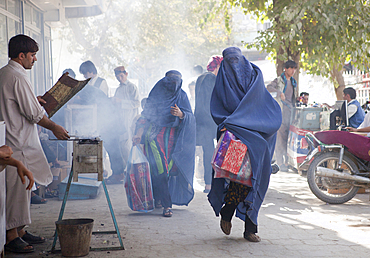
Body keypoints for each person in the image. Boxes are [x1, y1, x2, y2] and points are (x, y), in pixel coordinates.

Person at [0, 34, 69, 253]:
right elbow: (33, 114)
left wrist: (35, 99)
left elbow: (24, 103)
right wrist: (55, 127)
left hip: (14, 137)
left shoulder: (6, 72)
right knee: (18, 190)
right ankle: (11, 236)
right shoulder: (17, 76)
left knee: (25, 187)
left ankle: (20, 230)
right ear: (21, 56)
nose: (35, 59)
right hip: (17, 141)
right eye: (32, 55)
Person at [208, 47, 282, 242]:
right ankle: (235, 217)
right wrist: (227, 125)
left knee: (256, 182)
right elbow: (218, 111)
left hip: (259, 138)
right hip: (236, 137)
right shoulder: (223, 82)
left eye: (237, 60)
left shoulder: (254, 76)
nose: (234, 65)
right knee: (240, 180)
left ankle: (246, 224)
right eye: (230, 61)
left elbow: (266, 107)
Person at [133, 70, 196, 217]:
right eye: (170, 81)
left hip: (174, 140)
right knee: (160, 169)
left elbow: (190, 117)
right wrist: (138, 133)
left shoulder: (182, 96)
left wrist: (181, 114)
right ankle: (167, 205)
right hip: (154, 136)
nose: (173, 85)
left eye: (177, 82)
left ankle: (158, 198)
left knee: (165, 171)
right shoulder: (156, 94)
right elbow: (145, 115)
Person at [69, 80, 127, 184]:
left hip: (110, 122)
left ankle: (118, 174)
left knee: (113, 149)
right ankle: (118, 173)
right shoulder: (86, 89)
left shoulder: (84, 91)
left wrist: (75, 102)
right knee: (113, 149)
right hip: (109, 121)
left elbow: (87, 104)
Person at [194, 55, 223, 193]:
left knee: (207, 152)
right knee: (216, 153)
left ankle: (208, 184)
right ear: (218, 66)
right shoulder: (214, 79)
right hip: (211, 120)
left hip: (200, 120)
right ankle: (214, 183)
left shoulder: (200, 78)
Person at [266, 60, 298, 171]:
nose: (293, 71)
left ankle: (287, 162)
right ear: (286, 69)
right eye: (291, 68)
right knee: (279, 138)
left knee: (288, 138)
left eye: (294, 68)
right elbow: (268, 87)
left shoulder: (293, 82)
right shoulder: (278, 80)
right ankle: (280, 163)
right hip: (280, 112)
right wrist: (279, 93)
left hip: (290, 112)